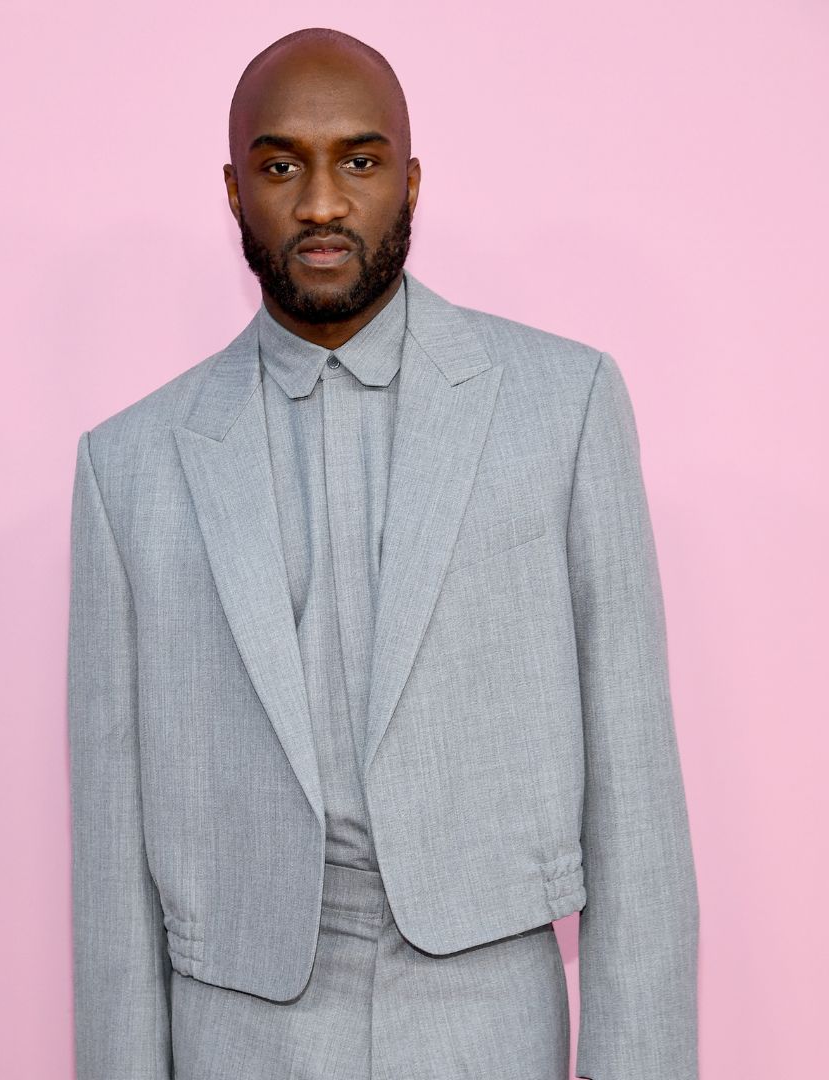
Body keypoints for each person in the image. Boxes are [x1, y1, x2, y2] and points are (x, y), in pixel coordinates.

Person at [66, 27, 696, 1080]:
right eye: (281, 167)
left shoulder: (565, 405)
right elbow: (109, 859)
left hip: (489, 1016)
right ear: (233, 191)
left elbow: (637, 790)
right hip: (238, 1031)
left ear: (410, 179)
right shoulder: (126, 466)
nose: (322, 202)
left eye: (358, 161)